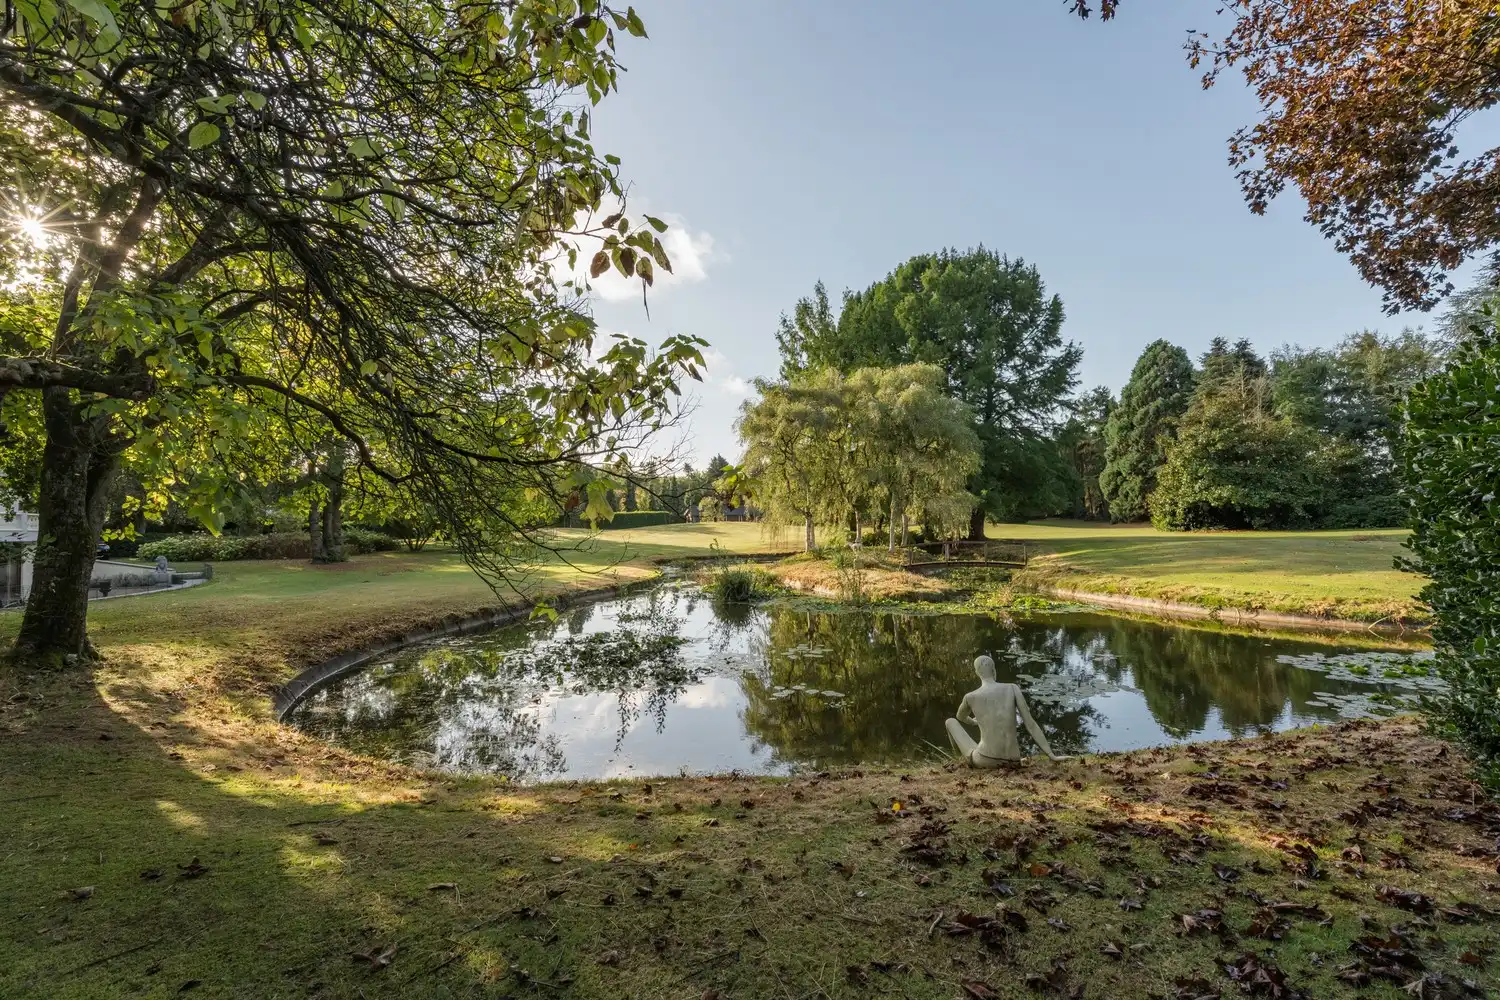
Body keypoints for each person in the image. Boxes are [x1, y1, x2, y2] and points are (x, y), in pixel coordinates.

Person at [945, 655, 1074, 767]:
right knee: (979, 744)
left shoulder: (970, 697)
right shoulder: (1012, 688)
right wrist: (1052, 755)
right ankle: (966, 760)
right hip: (1013, 761)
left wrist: (974, 722)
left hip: (985, 759)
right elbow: (1031, 724)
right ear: (994, 670)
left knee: (950, 722)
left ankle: (959, 761)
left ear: (977, 672)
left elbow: (960, 717)